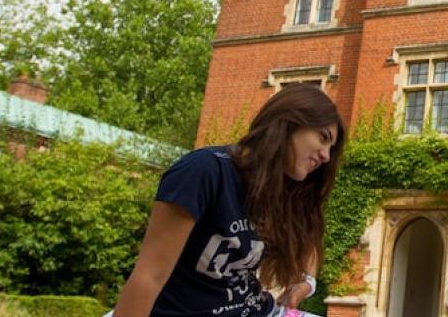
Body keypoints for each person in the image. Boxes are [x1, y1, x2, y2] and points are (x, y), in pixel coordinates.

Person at [109, 85, 345, 317]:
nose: (325, 156)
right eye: (323, 138)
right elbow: (150, 275)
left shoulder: (287, 193)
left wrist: (307, 283)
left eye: (330, 148)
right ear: (288, 122)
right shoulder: (204, 171)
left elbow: (309, 240)